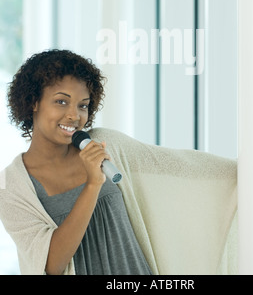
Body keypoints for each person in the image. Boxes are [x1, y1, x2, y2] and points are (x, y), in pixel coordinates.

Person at [1, 49, 152, 275]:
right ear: (33, 101)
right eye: (61, 101)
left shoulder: (103, 145)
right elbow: (51, 265)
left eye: (83, 105)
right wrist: (92, 185)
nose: (74, 115)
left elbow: (173, 166)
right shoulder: (11, 188)